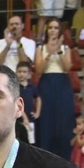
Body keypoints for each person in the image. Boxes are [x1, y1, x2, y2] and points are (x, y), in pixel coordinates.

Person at [35, 19, 78, 158]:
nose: (53, 30)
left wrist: (58, 51)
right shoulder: (40, 48)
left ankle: (65, 155)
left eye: (56, 27)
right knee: (47, 119)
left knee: (63, 119)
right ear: (47, 30)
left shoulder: (66, 49)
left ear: (60, 31)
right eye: (50, 27)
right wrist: (49, 53)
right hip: (46, 82)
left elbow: (67, 67)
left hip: (62, 83)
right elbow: (39, 70)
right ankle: (46, 154)